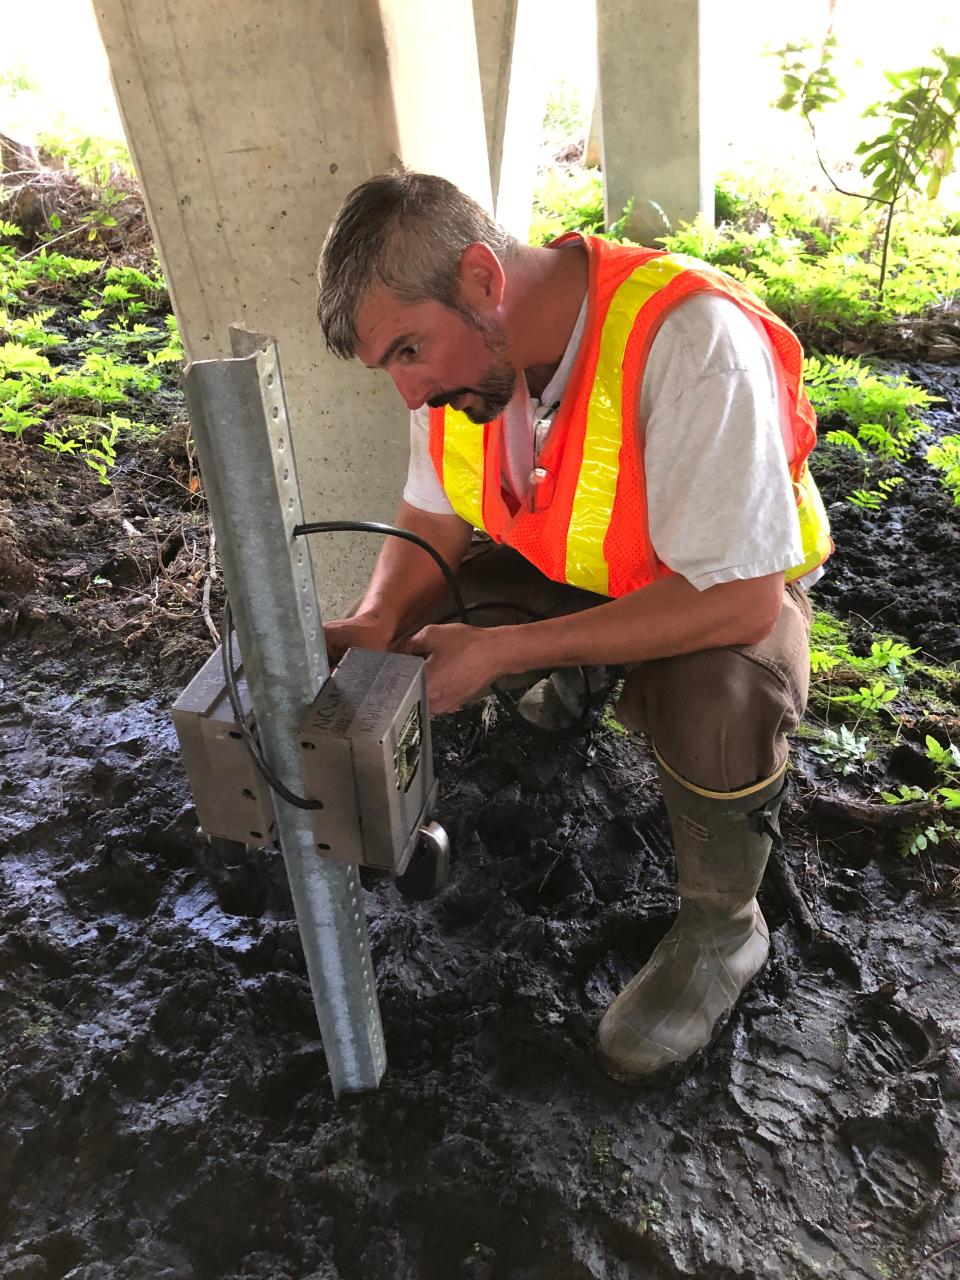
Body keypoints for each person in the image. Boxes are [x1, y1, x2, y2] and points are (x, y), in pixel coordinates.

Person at [315, 169, 832, 1083]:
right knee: (447, 596)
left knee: (719, 695)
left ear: (481, 278)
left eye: (407, 350)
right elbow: (432, 519)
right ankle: (586, 672)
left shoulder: (687, 341)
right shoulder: (472, 363)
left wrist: (509, 650)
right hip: (591, 575)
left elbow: (740, 599)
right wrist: (376, 618)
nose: (407, 392)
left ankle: (724, 928)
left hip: (720, 594)